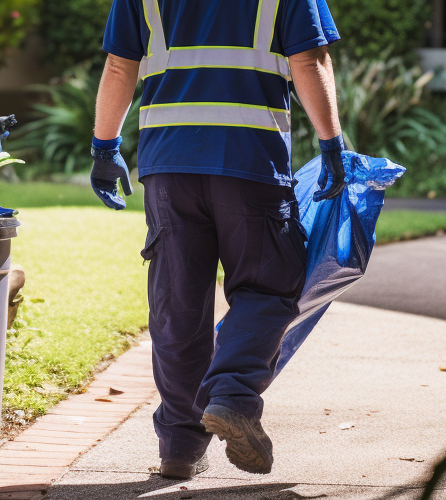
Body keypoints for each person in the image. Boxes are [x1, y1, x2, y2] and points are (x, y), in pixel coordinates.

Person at [90, 0, 346, 479]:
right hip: (250, 161)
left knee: (178, 302)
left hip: (169, 164)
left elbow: (120, 63)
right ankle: (231, 396)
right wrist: (331, 143)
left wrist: (105, 146)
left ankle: (180, 447)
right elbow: (309, 60)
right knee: (271, 284)